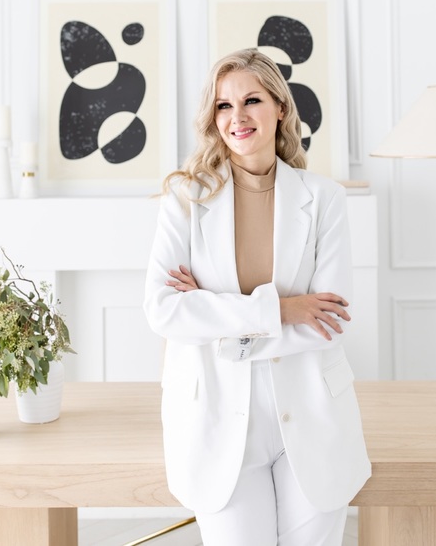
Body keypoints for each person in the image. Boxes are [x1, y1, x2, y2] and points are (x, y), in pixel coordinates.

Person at [143, 48, 371, 546]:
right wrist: (284, 310)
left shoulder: (324, 197)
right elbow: (163, 311)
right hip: (215, 418)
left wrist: (216, 322)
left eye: (252, 100)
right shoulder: (185, 197)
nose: (237, 116)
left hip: (313, 412)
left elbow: (330, 322)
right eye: (223, 105)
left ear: (280, 108)